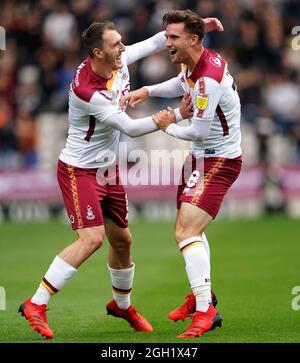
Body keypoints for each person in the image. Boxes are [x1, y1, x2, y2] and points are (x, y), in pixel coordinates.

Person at [18, 17, 223, 339]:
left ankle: (121, 305)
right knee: (92, 239)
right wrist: (178, 115)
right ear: (98, 52)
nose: (123, 48)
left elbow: (156, 42)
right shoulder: (88, 90)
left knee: (123, 241)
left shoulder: (117, 58)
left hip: (107, 168)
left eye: (122, 42)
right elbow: (129, 127)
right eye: (116, 45)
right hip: (79, 170)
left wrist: (199, 30)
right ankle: (36, 303)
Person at [121, 9, 242, 338]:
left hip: (219, 159)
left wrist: (167, 125)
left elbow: (198, 131)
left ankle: (205, 310)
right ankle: (205, 296)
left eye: (172, 38)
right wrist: (148, 90)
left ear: (192, 39)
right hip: (200, 158)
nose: (166, 43)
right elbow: (179, 82)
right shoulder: (195, 62)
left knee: (185, 232)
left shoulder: (207, 81)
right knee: (189, 230)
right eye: (167, 36)